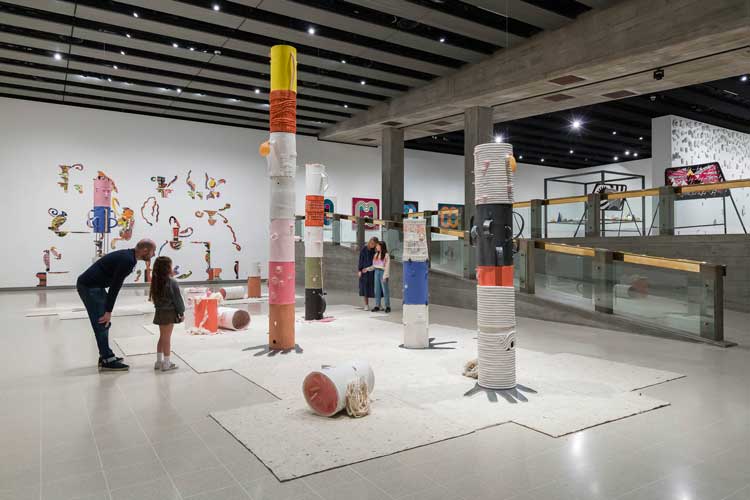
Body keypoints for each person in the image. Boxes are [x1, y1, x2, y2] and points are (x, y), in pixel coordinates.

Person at [77, 239, 156, 371]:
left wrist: (108, 309)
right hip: (89, 286)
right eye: (153, 251)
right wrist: (108, 310)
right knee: (102, 322)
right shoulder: (128, 260)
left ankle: (106, 355)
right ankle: (107, 359)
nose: (153, 255)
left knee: (104, 322)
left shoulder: (129, 256)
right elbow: (115, 286)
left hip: (95, 285)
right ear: (145, 250)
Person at [149, 256, 184, 372]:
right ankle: (167, 363)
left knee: (162, 337)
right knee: (167, 338)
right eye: (170, 265)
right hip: (169, 313)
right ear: (167, 268)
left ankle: (159, 361)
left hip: (159, 312)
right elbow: (177, 299)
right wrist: (181, 312)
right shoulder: (172, 282)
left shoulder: (155, 281)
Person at [358, 236, 378, 310]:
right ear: (369, 242)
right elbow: (361, 260)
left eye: (374, 244)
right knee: (365, 288)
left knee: (376, 288)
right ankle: (366, 304)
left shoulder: (376, 251)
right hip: (364, 271)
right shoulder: (364, 249)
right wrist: (359, 270)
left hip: (373, 271)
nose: (372, 245)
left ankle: (378, 304)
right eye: (371, 243)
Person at [371, 240, 391, 313]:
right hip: (376, 272)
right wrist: (367, 269)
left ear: (381, 246)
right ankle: (377, 305)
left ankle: (387, 306)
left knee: (385, 290)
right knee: (377, 290)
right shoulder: (375, 255)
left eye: (378, 246)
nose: (376, 247)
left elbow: (387, 266)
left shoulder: (386, 255)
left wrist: (385, 276)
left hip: (383, 272)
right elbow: (374, 265)